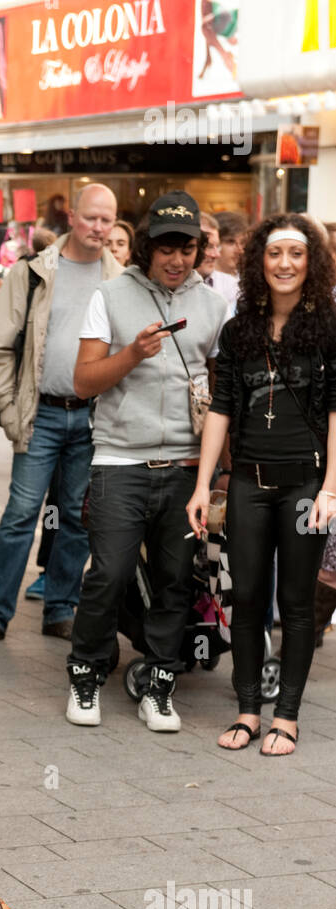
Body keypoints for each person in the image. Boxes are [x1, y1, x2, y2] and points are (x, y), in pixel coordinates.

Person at [65, 191, 228, 731]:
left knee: (176, 579)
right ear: (145, 248)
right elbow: (83, 381)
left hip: (184, 467)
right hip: (118, 461)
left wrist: (218, 472)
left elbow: (220, 395)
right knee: (109, 573)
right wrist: (132, 353)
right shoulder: (109, 296)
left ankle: (160, 682)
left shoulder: (212, 304)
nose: (177, 260)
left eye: (187, 248)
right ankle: (85, 672)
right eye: (165, 248)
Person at [187, 214, 336, 756]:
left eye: (297, 254)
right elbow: (222, 408)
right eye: (275, 254)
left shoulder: (328, 327)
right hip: (247, 482)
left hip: (305, 486)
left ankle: (287, 716)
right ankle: (248, 709)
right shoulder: (239, 329)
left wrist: (331, 489)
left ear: (311, 263)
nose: (285, 264)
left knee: (295, 603)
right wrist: (204, 485)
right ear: (259, 262)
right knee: (246, 597)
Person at [0, 183, 121, 646]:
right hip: (42, 415)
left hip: (91, 419)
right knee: (20, 514)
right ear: (72, 216)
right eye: (91, 218)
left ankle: (60, 608)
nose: (98, 228)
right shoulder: (33, 273)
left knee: (74, 518)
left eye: (107, 221)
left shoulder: (120, 279)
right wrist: (14, 415)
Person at [199, 211, 239, 307]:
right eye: (209, 246)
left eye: (218, 246)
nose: (216, 254)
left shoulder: (232, 286)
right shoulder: (172, 285)